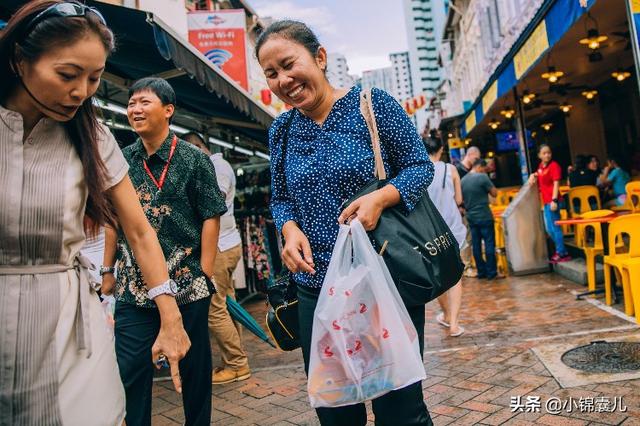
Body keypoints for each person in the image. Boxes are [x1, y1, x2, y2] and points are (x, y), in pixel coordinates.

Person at [0, 2, 190, 424]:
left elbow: (138, 231)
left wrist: (170, 315)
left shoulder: (94, 136)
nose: (81, 92)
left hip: (69, 325)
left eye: (95, 78)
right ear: (18, 60)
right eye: (67, 75)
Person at [257, 20, 435, 426]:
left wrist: (380, 197)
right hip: (315, 288)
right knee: (335, 411)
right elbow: (281, 197)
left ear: (319, 58)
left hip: (383, 282)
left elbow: (419, 167)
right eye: (271, 73)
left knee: (400, 410)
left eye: (288, 64)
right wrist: (288, 229)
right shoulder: (281, 129)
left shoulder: (372, 105)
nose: (283, 80)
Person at [102, 77, 227, 425]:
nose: (135, 110)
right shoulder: (121, 160)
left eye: (144, 102)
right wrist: (107, 270)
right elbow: (113, 221)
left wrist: (203, 271)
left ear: (168, 110)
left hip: (187, 283)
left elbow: (211, 216)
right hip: (133, 287)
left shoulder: (193, 160)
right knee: (131, 369)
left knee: (193, 369)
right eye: (130, 104)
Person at [183, 132, 251, 384]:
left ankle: (237, 364)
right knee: (228, 303)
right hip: (227, 242)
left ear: (199, 147)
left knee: (214, 308)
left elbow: (215, 200)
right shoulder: (212, 167)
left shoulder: (218, 167)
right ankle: (234, 358)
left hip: (220, 246)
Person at [424, 137, 467, 337]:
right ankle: (455, 325)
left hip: (431, 230)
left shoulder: (420, 171)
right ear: (441, 150)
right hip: (454, 228)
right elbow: (459, 199)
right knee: (456, 275)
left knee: (439, 275)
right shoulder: (451, 170)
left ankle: (447, 315)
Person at [529, 144, 571, 263]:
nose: (547, 155)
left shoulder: (554, 166)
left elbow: (556, 183)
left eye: (549, 152)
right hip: (546, 202)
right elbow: (539, 174)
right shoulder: (541, 166)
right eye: (544, 153)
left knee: (555, 227)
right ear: (539, 155)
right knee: (549, 229)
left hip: (553, 201)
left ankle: (561, 253)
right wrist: (533, 175)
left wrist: (554, 200)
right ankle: (562, 250)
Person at [461, 159, 501, 280]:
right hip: (484, 216)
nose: (484, 171)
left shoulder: (463, 180)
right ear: (479, 167)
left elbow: (460, 199)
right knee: (489, 244)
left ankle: (481, 272)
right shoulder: (482, 177)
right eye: (484, 169)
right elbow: (494, 193)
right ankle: (491, 272)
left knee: (476, 245)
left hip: (471, 217)